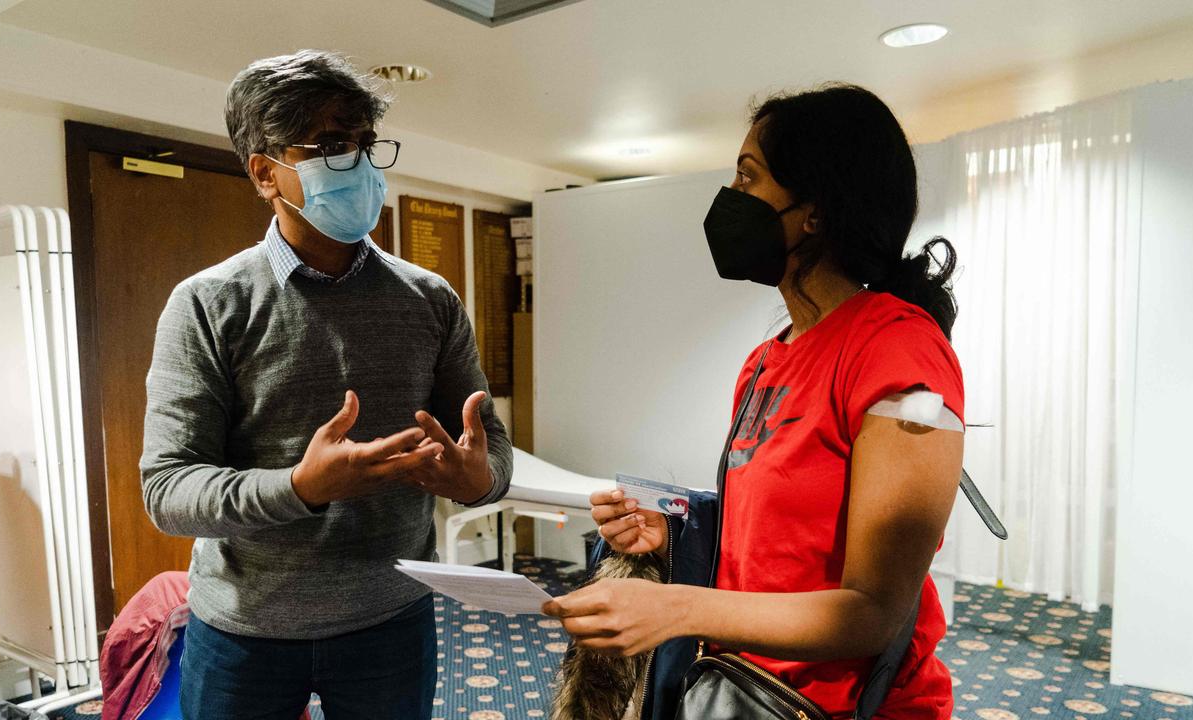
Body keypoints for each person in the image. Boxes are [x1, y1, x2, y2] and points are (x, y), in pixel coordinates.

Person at [544, 84, 963, 719]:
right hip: (741, 689)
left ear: (815, 211)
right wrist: (669, 541)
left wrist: (677, 609)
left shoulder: (896, 349)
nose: (730, 200)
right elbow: (768, 548)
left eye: (749, 177)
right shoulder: (766, 360)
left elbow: (873, 611)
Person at [140, 50, 512, 720]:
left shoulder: (430, 299)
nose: (361, 166)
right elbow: (167, 492)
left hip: (390, 623)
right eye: (333, 146)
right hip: (244, 634)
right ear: (264, 172)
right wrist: (301, 489)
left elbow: (492, 454)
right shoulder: (206, 304)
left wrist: (477, 481)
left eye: (366, 145)